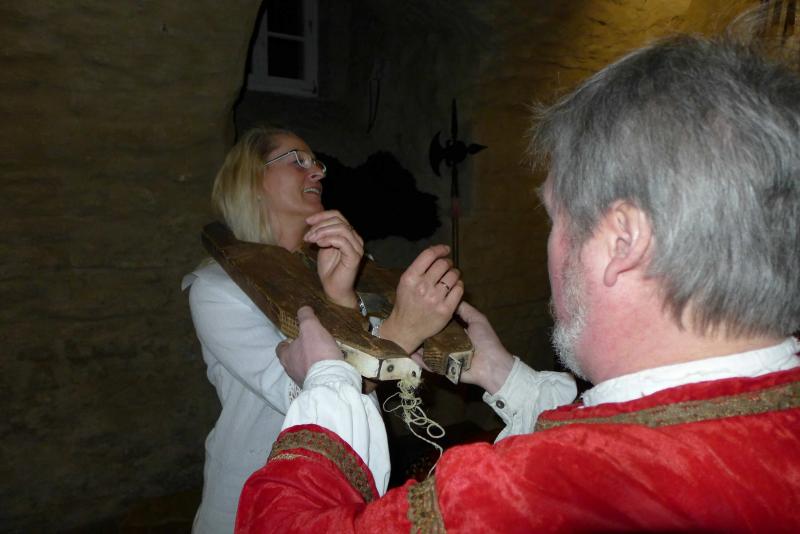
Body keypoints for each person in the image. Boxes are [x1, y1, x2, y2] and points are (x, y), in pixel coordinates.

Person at [235, 33, 800, 532]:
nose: (552, 245)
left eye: (556, 219)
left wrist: (331, 380)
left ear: (622, 242)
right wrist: (504, 375)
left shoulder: (530, 493)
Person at [182, 126, 463, 533]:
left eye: (316, 163)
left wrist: (345, 298)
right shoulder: (216, 289)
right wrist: (402, 332)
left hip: (351, 482)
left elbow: (364, 380)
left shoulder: (344, 268)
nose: (317, 171)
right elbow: (303, 393)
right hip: (257, 495)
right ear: (252, 181)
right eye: (297, 161)